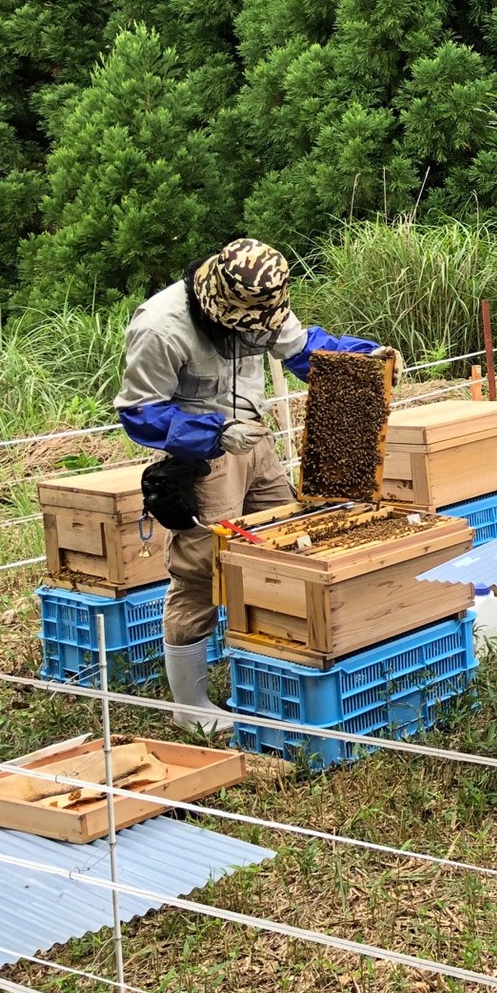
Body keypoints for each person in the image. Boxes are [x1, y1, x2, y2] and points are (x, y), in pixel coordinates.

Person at [113, 239, 391, 732]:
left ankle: (273, 669)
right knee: (201, 570)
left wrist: (364, 358)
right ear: (216, 304)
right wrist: (214, 433)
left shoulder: (262, 303)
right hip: (199, 454)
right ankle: (188, 705)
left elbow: (305, 352)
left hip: (256, 441)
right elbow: (139, 412)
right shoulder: (160, 326)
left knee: (288, 549)